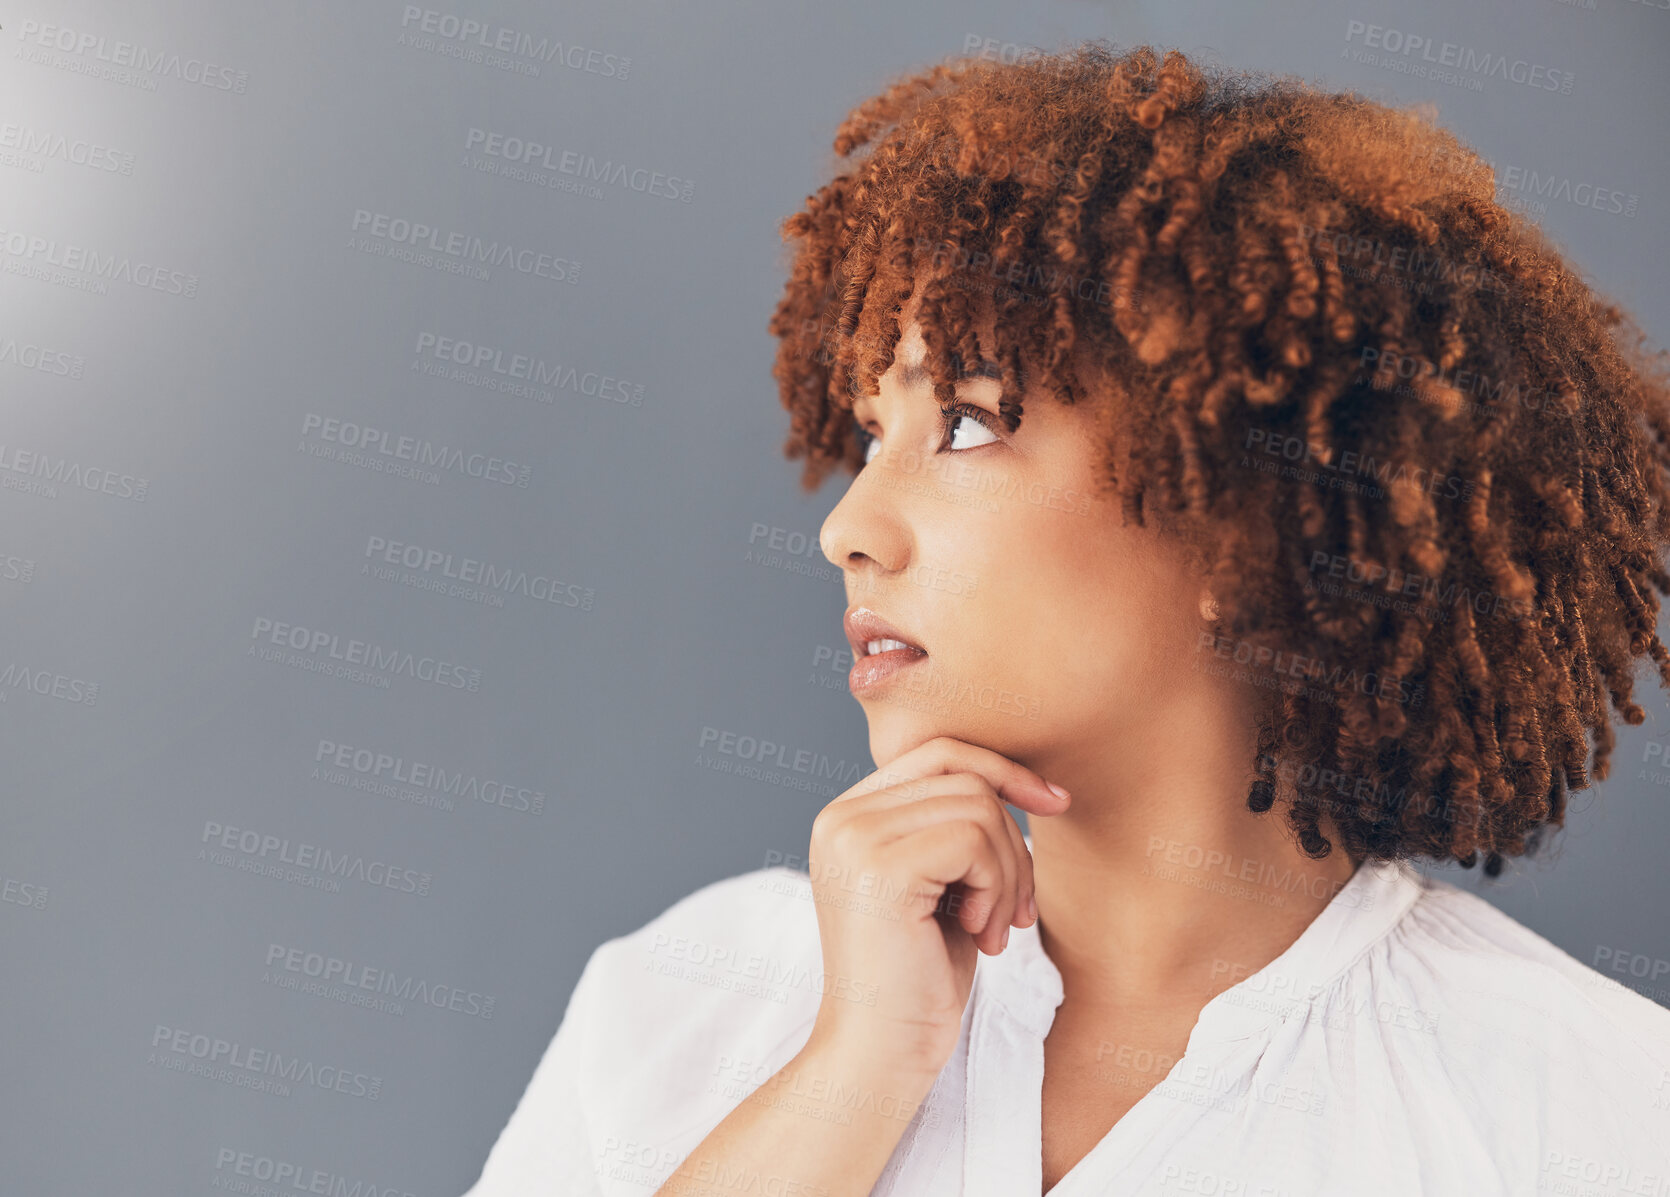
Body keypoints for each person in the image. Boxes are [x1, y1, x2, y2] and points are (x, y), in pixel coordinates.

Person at [462, 42, 1670, 1196]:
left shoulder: (1594, 1116)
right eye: (873, 433)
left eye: (969, 424)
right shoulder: (692, 999)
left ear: (1245, 518)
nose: (846, 530)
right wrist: (854, 1071)